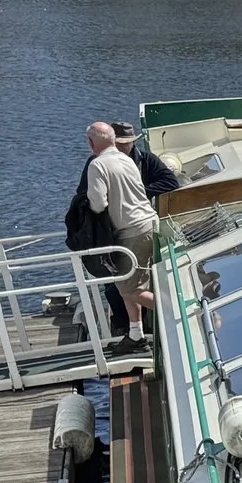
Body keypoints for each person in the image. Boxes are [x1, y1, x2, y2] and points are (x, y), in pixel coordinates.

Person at [80, 122, 158, 341]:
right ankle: (136, 333)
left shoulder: (97, 165)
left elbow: (98, 204)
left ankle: (179, 313)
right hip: (151, 224)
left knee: (128, 289)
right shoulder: (128, 159)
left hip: (131, 232)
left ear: (91, 142)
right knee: (128, 281)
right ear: (114, 140)